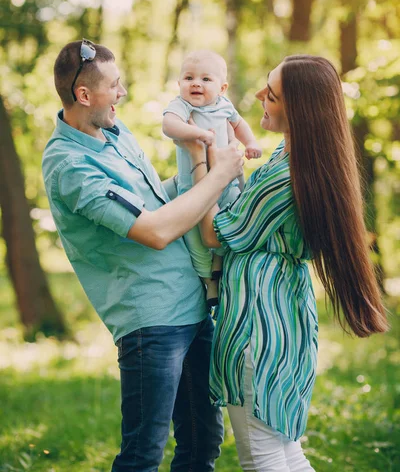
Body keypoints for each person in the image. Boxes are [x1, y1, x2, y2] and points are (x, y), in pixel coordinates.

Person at [41, 39, 244, 472]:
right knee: (143, 455)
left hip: (192, 309)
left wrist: (200, 165)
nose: (123, 94)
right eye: (115, 86)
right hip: (151, 325)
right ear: (84, 95)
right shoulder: (70, 165)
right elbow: (155, 230)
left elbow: (159, 199)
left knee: (202, 446)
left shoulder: (115, 133)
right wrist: (220, 171)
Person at [182, 55, 388, 472]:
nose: (259, 96)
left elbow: (213, 234)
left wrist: (202, 160)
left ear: (298, 109)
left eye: (271, 94)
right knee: (285, 452)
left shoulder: (286, 174)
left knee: (262, 458)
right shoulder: (301, 161)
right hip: (285, 321)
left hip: (258, 329)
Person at [163, 49, 261, 305]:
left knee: (225, 229)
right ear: (179, 84)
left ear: (222, 87)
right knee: (196, 240)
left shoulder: (224, 105)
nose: (196, 83)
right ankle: (209, 282)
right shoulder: (181, 105)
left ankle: (219, 267)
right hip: (193, 189)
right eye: (189, 78)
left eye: (206, 79)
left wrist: (249, 142)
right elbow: (168, 125)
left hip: (227, 185)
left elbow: (239, 125)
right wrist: (196, 134)